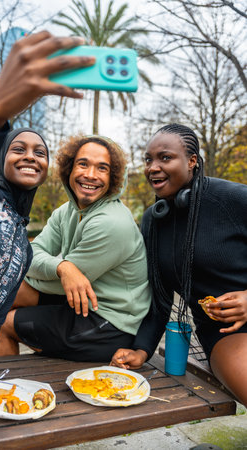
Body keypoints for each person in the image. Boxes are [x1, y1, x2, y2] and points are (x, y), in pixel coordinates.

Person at [0, 30, 96, 450]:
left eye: (40, 151)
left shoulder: (24, 241)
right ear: (1, 158)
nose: (30, 155)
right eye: (18, 148)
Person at [110, 123, 247, 406]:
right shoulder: (152, 220)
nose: (153, 167)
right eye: (148, 160)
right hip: (226, 334)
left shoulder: (232, 199)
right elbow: (160, 298)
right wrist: (142, 350)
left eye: (165, 157)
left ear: (192, 161)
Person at [0, 134, 152, 362]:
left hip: (111, 323)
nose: (90, 175)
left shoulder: (111, 223)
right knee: (0, 294)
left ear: (113, 177)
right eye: (83, 164)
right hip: (79, 301)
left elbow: (58, 282)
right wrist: (63, 267)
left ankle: (3, 391)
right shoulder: (66, 211)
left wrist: (57, 271)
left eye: (102, 168)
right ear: (69, 169)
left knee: (2, 323)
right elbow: (32, 254)